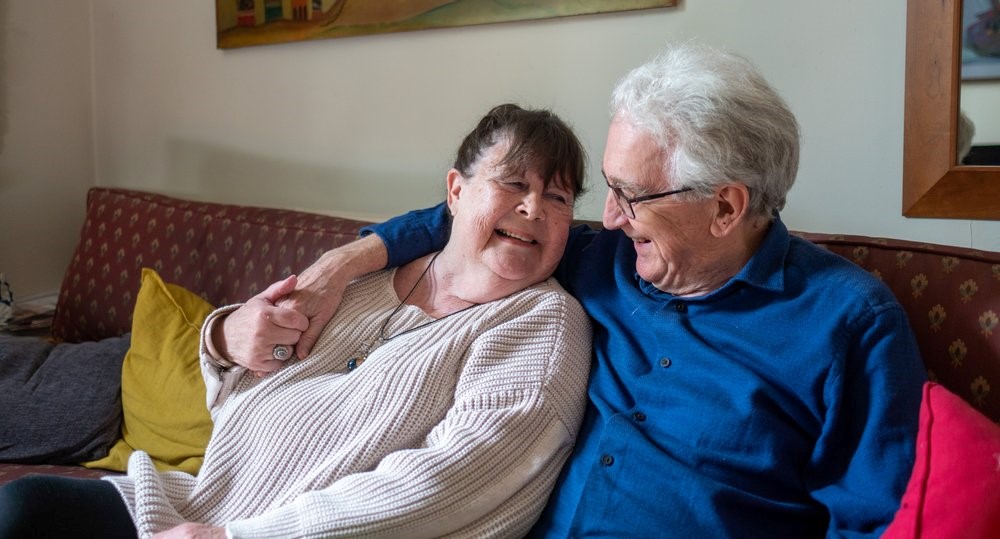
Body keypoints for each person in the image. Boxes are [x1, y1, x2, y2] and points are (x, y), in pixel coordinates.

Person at [242, 42, 929, 537]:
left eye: (632, 195)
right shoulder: (604, 258)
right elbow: (470, 218)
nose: (609, 217)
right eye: (609, 187)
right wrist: (341, 262)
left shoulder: (850, 324)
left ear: (726, 207)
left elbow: (872, 520)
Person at [0, 104, 593, 538]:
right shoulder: (358, 277)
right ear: (455, 193)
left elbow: (449, 481)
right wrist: (223, 342)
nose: (533, 208)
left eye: (559, 198)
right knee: (24, 510)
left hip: (297, 534)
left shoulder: (541, 323)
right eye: (513, 183)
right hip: (204, 503)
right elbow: (239, 391)